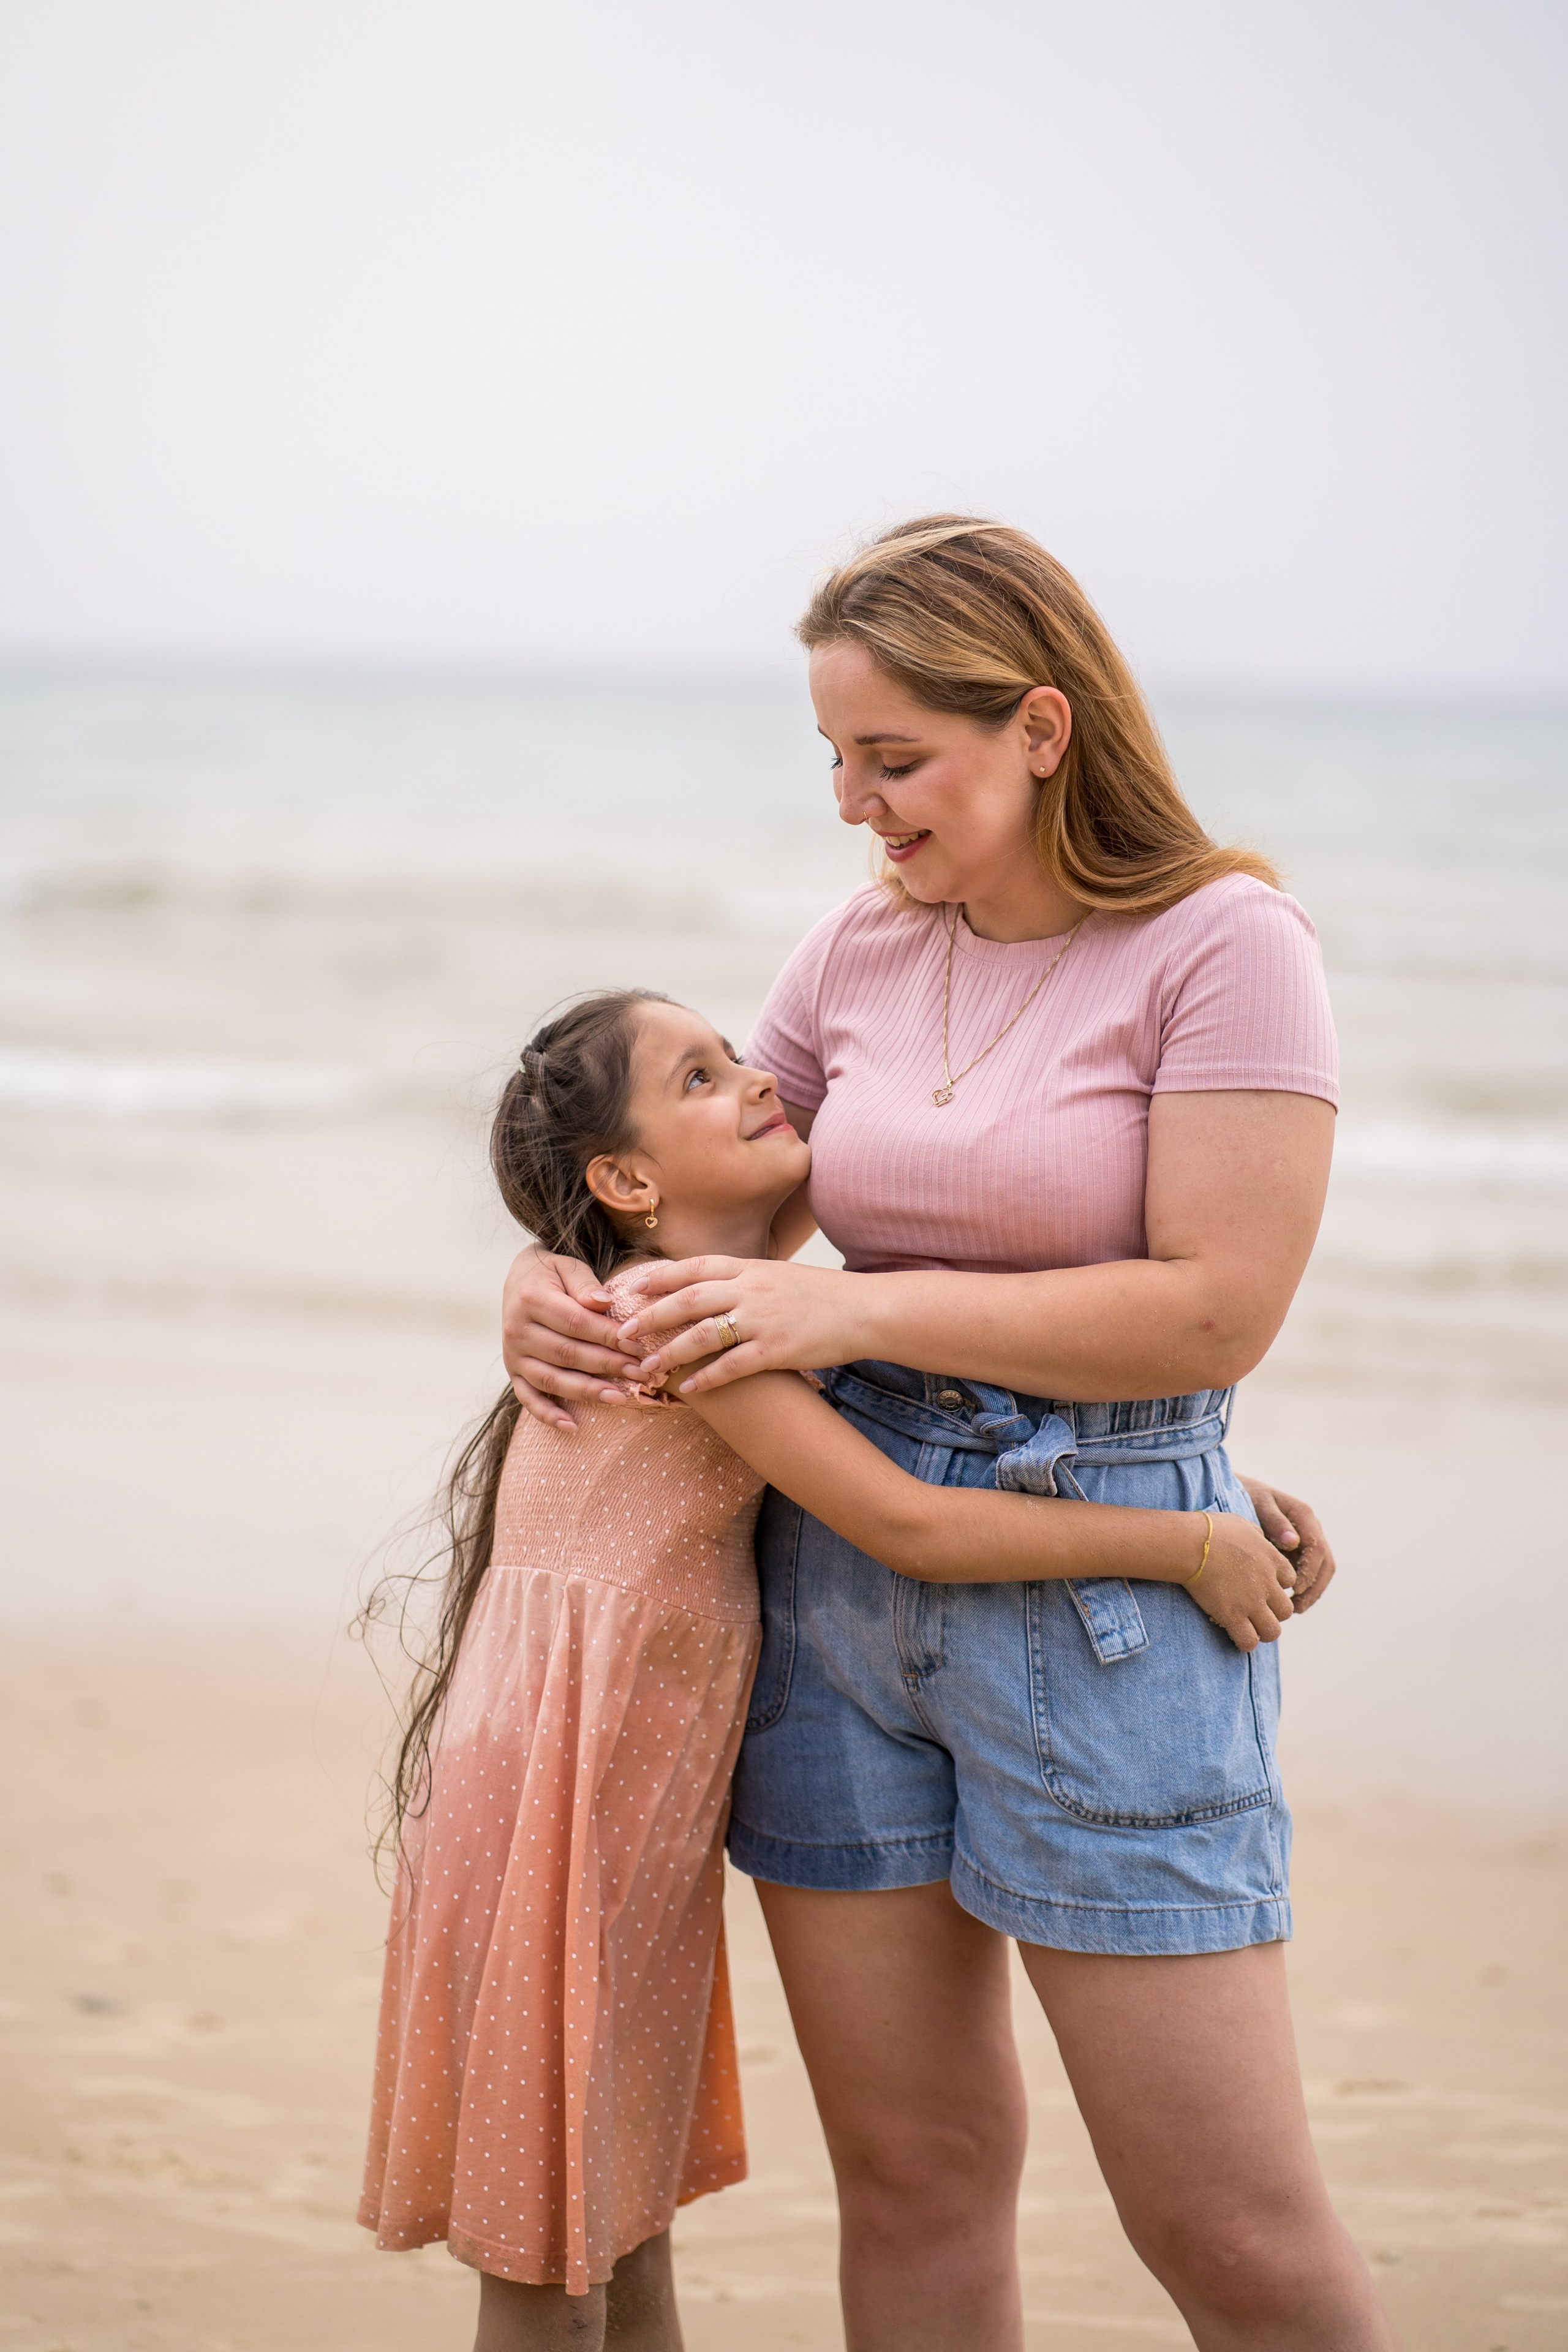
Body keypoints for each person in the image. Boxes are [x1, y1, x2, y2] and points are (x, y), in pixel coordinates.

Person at [501, 518, 1400, 2350]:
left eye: (892, 759)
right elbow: (707, 1193)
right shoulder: (860, 947)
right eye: (833, 756)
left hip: (1107, 1609)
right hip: (826, 1592)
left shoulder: (1228, 945)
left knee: (1222, 2224)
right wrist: (535, 1280)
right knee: (914, 2187)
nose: (853, 802)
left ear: (1043, 728)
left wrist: (857, 1311)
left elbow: (1216, 1304)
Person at [361, 986, 1305, 2352]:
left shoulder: (711, 1285)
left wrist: (1206, 1477)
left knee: (611, 2221)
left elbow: (918, 1424)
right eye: (699, 1077)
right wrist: (1178, 1540)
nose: (755, 1078)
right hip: (570, 1801)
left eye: (736, 1054)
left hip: (606, 1791)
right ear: (623, 1179)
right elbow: (905, 1518)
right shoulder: (687, 1326)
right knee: (559, 2245)